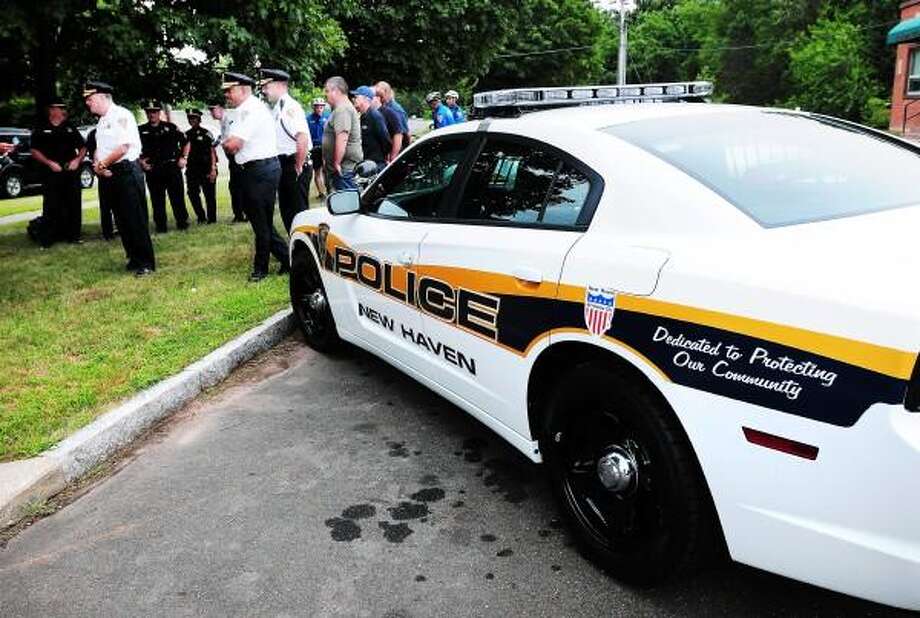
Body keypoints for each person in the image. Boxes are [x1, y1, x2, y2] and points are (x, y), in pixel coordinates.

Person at [220, 71, 288, 282]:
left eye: (229, 91)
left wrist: (226, 143)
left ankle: (261, 269)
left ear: (242, 89)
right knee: (262, 221)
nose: (226, 95)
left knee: (260, 222)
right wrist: (228, 142)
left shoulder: (251, 110)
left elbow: (233, 144)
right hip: (256, 170)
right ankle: (287, 260)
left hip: (260, 171)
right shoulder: (245, 109)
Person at [83, 80, 155, 276]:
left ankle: (146, 262)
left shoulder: (121, 115)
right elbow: (100, 149)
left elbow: (123, 147)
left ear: (101, 97)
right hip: (110, 173)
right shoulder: (102, 121)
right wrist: (99, 165)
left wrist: (102, 165)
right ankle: (133, 257)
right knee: (121, 220)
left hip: (127, 171)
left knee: (135, 218)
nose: (88, 103)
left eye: (90, 99)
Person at [29, 98, 86, 246]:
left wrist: (77, 160)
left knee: (73, 203)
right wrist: (49, 163)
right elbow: (34, 151)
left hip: (70, 171)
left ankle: (74, 236)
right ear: (51, 110)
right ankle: (48, 238)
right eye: (59, 108)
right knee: (51, 204)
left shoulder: (69, 127)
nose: (62, 111)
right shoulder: (41, 128)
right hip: (51, 172)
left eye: (63, 108)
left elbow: (83, 147)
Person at [260, 68, 310, 233]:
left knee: (298, 212)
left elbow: (302, 137)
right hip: (284, 163)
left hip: (293, 162)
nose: (264, 90)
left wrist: (299, 165)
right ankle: (295, 243)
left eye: (267, 86)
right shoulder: (278, 107)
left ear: (280, 85)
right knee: (287, 211)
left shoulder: (290, 107)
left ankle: (304, 245)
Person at [138, 100, 190, 232]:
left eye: (154, 112)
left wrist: (184, 158)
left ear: (159, 112)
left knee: (177, 197)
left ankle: (182, 223)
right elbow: (133, 149)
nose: (152, 115)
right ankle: (161, 226)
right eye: (149, 112)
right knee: (157, 199)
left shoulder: (171, 127)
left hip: (171, 167)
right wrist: (141, 162)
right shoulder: (141, 130)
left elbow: (186, 142)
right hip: (153, 169)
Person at [322, 76, 363, 191]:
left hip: (344, 169)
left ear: (335, 91)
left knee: (346, 200)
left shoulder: (343, 109)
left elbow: (342, 137)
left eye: (327, 91)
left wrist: (337, 163)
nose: (325, 94)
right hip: (344, 168)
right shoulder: (341, 108)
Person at [209, 101, 246, 223]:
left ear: (221, 108)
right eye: (210, 110)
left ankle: (243, 214)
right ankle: (239, 214)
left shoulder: (230, 120)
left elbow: (232, 140)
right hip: (232, 159)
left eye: (213, 109)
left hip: (238, 158)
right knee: (234, 187)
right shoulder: (223, 121)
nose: (211, 113)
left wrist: (221, 143)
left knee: (238, 187)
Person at [184, 108, 218, 224]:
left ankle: (212, 219)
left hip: (206, 168)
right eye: (190, 118)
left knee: (209, 194)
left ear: (199, 119)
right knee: (192, 194)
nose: (192, 120)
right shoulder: (186, 135)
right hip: (192, 169)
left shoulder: (206, 133)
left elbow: (212, 151)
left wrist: (213, 168)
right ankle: (201, 216)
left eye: (194, 118)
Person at [85, 128, 116, 240]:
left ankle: (122, 228)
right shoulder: (93, 134)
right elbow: (93, 155)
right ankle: (107, 232)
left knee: (121, 203)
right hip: (102, 171)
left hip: (119, 170)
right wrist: (100, 170)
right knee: (105, 205)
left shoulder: (115, 130)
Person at [351, 85, 391, 171]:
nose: (354, 99)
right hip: (365, 163)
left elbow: (386, 140)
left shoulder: (375, 116)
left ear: (365, 99)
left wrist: (383, 157)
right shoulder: (362, 116)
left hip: (376, 164)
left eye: (356, 97)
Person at [374, 81, 411, 161]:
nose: (377, 96)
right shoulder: (382, 107)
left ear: (386, 92)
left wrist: (394, 156)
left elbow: (402, 134)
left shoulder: (395, 109)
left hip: (397, 152)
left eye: (378, 94)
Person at [307, 97, 329, 199]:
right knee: (317, 171)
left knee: (326, 170)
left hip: (326, 147)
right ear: (313, 107)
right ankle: (321, 193)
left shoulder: (327, 117)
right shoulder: (308, 119)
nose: (319, 109)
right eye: (317, 107)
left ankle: (329, 190)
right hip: (314, 148)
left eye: (321, 107)